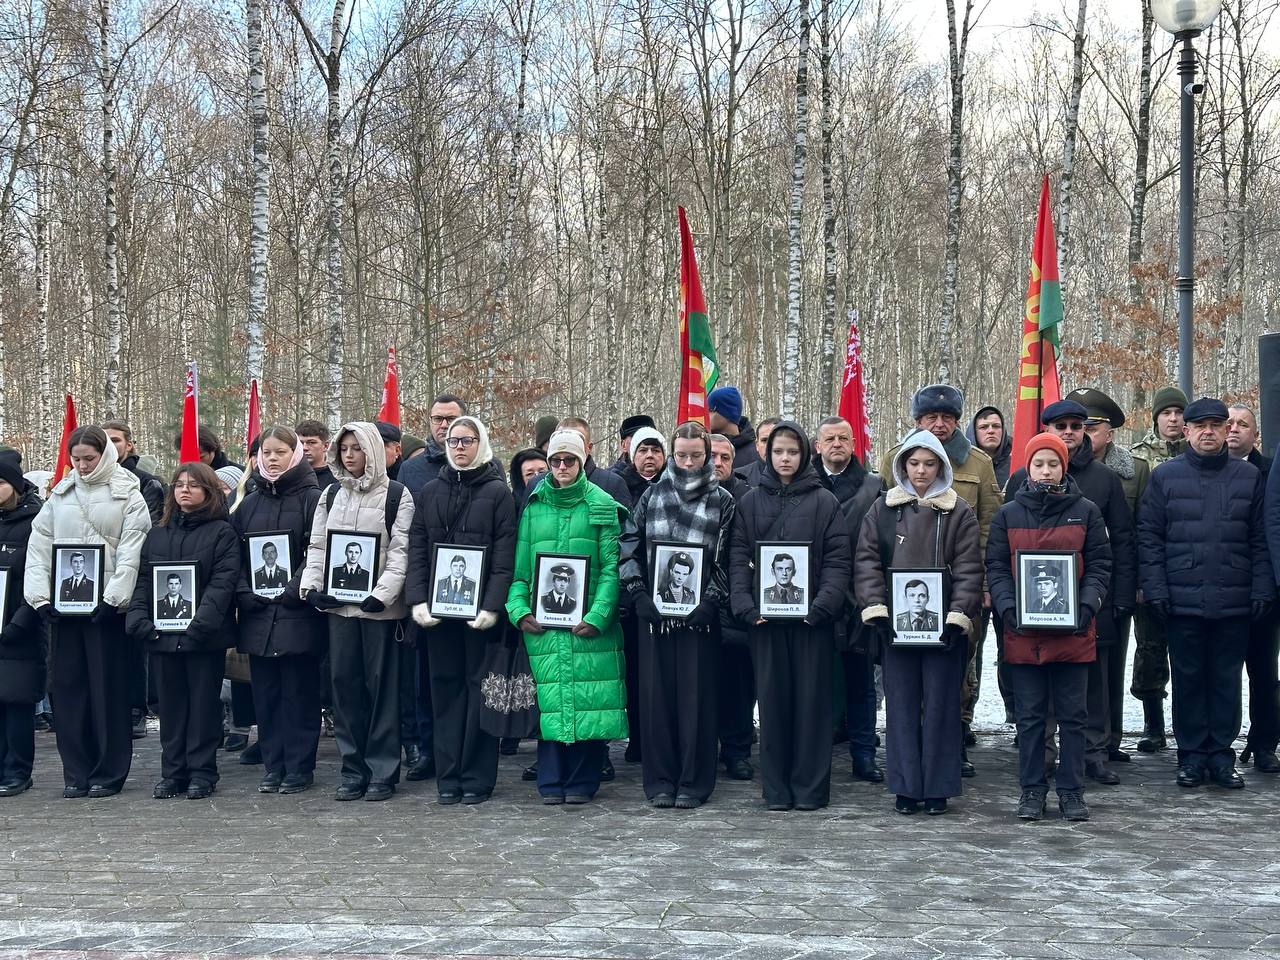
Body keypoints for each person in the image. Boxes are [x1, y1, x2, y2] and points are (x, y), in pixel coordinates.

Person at [1139, 397, 1272, 790]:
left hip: (1235, 599)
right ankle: (1192, 757)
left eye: (1218, 425)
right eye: (1202, 426)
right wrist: (1157, 588)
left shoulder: (1248, 478)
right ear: (1187, 431)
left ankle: (1221, 758)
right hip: (1182, 599)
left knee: (1226, 681)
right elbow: (1149, 537)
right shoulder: (1165, 477)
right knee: (1188, 679)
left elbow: (1260, 539)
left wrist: (1261, 587)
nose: (1211, 431)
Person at [1005, 398, 1137, 785]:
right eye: (1059, 426)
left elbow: (1121, 543)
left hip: (1091, 601)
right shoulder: (1019, 481)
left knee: (1092, 682)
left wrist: (1121, 597)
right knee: (1040, 679)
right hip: (1032, 606)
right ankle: (1043, 753)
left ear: (1084, 433)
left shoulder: (1105, 480)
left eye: (1076, 427)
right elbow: (1006, 545)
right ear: (1045, 431)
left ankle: (1093, 753)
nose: (1068, 432)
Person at [986, 432, 1112, 822]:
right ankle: (1032, 790)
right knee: (1030, 718)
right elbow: (996, 569)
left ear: (1063, 467)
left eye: (1053, 463)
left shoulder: (1086, 511)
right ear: (1028, 467)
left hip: (1073, 633)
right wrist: (1008, 608)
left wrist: (1087, 607)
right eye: (1038, 463)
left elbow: (1100, 566)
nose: (1045, 470)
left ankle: (1072, 791)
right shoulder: (1008, 513)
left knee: (1074, 716)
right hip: (1023, 635)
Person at [856, 428, 982, 815]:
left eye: (929, 464)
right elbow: (867, 560)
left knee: (942, 706)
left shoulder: (958, 509)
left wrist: (957, 614)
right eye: (914, 463)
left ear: (941, 466)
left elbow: (968, 567)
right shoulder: (883, 508)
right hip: (897, 627)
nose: (921, 471)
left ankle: (939, 787)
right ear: (902, 466)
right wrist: (877, 607)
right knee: (902, 707)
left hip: (943, 629)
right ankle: (906, 787)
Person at [879, 385, 1000, 779]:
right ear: (917, 422)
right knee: (909, 680)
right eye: (931, 417)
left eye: (947, 418)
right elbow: (884, 525)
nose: (940, 424)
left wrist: (979, 585)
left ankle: (956, 737)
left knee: (961, 669)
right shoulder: (891, 461)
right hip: (904, 594)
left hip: (958, 589)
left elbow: (987, 527)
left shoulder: (979, 464)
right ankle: (912, 753)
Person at [730, 421, 851, 811]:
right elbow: (737, 558)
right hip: (765, 624)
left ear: (805, 455)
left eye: (793, 452)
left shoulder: (824, 502)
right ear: (768, 454)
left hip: (811, 623)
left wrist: (822, 607)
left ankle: (811, 790)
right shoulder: (749, 502)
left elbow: (837, 561)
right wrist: (746, 606)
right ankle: (777, 790)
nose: (785, 458)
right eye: (779, 451)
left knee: (812, 706)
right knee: (773, 704)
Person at [25, 426, 151, 798]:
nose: (81, 466)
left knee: (107, 690)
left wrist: (113, 599)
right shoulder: (60, 495)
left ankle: (109, 771)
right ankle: (75, 770)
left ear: (105, 456)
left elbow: (132, 550)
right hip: (65, 611)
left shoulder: (128, 494)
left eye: (89, 459)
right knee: (68, 691)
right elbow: (40, 547)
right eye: (76, 459)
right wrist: (40, 598)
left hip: (106, 613)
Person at [506, 430, 627, 805]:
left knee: (590, 699)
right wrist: (519, 608)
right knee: (551, 702)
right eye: (555, 460)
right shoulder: (535, 503)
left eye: (569, 461)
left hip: (590, 625)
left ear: (581, 462)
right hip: (543, 627)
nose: (561, 468)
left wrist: (599, 614)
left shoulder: (603, 504)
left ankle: (582, 780)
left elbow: (612, 569)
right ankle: (551, 780)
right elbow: (521, 567)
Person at [621, 421, 735, 809]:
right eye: (682, 455)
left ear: (707, 456)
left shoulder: (723, 500)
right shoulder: (652, 496)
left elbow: (730, 557)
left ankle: (694, 780)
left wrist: (712, 600)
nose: (688, 462)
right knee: (656, 701)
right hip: (654, 614)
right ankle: (660, 781)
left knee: (696, 700)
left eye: (696, 456)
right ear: (673, 454)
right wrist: (637, 592)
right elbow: (629, 545)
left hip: (700, 617)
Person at [300, 421, 414, 801]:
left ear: (373, 451)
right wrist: (312, 587)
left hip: (379, 612)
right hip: (340, 611)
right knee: (344, 687)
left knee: (381, 690)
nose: (349, 456)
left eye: (357, 448)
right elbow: (317, 547)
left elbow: (400, 553)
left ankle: (383, 769)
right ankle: (353, 769)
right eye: (344, 449)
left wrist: (382, 595)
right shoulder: (330, 495)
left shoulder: (398, 495)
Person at [405, 416, 515, 805]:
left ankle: (477, 778)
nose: (460, 447)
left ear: (481, 443)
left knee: (479, 693)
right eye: (453, 441)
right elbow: (416, 549)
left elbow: (506, 556)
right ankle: (448, 776)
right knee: (445, 692)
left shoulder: (498, 493)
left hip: (479, 618)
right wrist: (417, 599)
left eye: (468, 440)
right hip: (439, 615)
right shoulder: (431, 491)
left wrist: (491, 606)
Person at [126, 462, 240, 800]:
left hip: (203, 639)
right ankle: (172, 772)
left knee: (203, 707)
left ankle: (202, 773)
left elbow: (222, 584)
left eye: (193, 485)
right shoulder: (158, 534)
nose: (184, 490)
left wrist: (199, 626)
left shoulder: (222, 532)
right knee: (171, 709)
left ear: (208, 491)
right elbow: (144, 580)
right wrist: (140, 619)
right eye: (179, 485)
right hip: (161, 637)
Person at [232, 424, 325, 795]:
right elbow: (234, 554)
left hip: (297, 612)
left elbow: (316, 549)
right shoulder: (249, 502)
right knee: (266, 694)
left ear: (296, 454)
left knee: (299, 693)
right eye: (264, 453)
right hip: (257, 614)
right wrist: (243, 589)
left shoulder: (314, 498)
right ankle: (274, 765)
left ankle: (300, 767)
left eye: (279, 452)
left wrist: (293, 587)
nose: (271, 459)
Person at [1067, 386, 1150, 761]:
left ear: (1107, 432)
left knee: (1109, 667)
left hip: (1109, 584)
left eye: (1087, 426)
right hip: (1064, 586)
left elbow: (1131, 535)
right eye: (1067, 424)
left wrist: (1128, 588)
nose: (1077, 432)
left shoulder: (1129, 471)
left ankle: (1107, 739)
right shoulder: (1042, 468)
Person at [813, 415, 883, 784]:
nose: (837, 444)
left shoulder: (873, 486)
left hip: (859, 599)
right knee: (817, 683)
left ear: (853, 445)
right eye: (830, 438)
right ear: (818, 446)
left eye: (844, 438)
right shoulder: (805, 485)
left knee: (861, 683)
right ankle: (816, 754)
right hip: (815, 599)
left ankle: (864, 755)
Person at [1129, 385, 1188, 749]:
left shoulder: (1198, 452)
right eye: (1166, 413)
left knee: (1186, 649)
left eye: (1179, 413)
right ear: (1155, 418)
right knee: (1149, 647)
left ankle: (1187, 724)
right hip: (1148, 563)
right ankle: (1153, 723)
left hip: (1185, 564)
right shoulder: (1136, 458)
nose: (1173, 418)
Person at [1232, 404, 1280, 773]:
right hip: (1224, 589)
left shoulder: (1269, 470)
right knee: (1220, 673)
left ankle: (1265, 742)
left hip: (1264, 589)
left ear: (1255, 434)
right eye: (1227, 423)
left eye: (1242, 424)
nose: (1233, 429)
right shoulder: (1203, 471)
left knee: (1263, 672)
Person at [0, 451, 46, 797]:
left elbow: (40, 576)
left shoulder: (36, 520)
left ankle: (18, 769)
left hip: (20, 627)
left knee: (16, 702)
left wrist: (19, 622)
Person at [710, 433, 755, 782]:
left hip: (736, 607)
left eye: (726, 457)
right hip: (694, 609)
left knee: (738, 687)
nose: (719, 463)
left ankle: (737, 752)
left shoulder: (746, 499)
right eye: (712, 455)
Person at [556, 417, 632, 508]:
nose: (570, 447)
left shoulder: (612, 484)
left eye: (577, 442)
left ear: (589, 447)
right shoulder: (541, 485)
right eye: (563, 441)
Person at [399, 394, 466, 496]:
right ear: (430, 422)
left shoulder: (488, 466)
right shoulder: (408, 470)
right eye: (438, 419)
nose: (444, 425)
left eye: (451, 419)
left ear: (465, 421)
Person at [102, 420, 166, 524]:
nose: (109, 445)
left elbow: (151, 525)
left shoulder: (148, 482)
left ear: (129, 445)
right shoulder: (92, 479)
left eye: (114, 440)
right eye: (104, 441)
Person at [707, 386, 759, 467]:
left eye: (710, 410)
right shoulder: (703, 448)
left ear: (727, 413)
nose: (706, 415)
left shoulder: (756, 453)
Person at [966, 406, 1011, 490]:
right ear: (973, 432)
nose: (991, 431)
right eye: (984, 427)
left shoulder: (1016, 462)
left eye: (996, 426)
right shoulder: (962, 462)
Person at [737, 417, 780, 487]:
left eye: (775, 439)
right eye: (764, 440)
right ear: (757, 445)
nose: (769, 446)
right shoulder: (739, 477)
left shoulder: (801, 478)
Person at [296, 420, 336, 490]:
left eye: (311, 442)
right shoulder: (289, 476)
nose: (304, 448)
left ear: (326, 446)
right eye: (300, 443)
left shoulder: (336, 479)